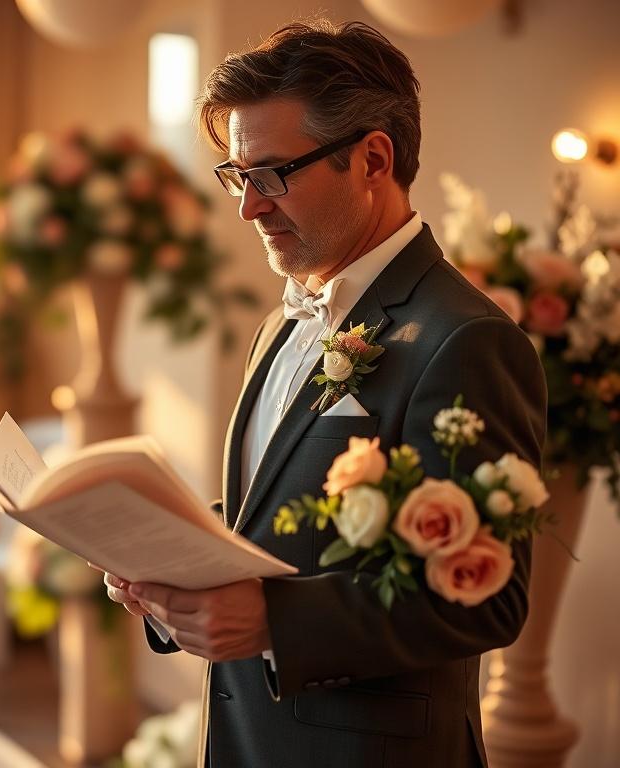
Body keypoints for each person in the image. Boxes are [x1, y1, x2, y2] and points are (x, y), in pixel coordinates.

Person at [101, 19, 547, 768]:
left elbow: (488, 601)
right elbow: (280, 515)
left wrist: (274, 622)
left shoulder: (466, 340)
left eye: (273, 174)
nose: (249, 207)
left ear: (372, 159)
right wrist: (169, 554)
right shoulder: (280, 324)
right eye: (238, 176)